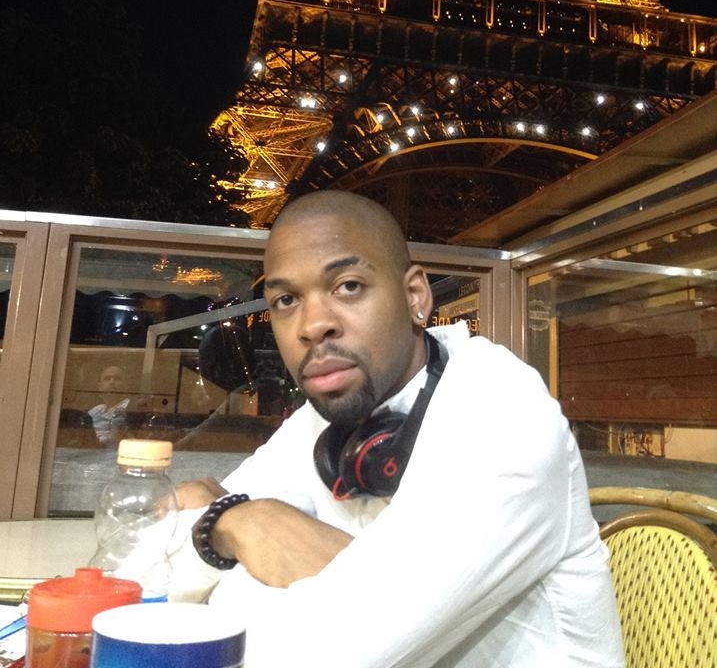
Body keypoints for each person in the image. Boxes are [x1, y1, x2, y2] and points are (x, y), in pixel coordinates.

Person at [169, 190, 625, 668]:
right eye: (286, 300)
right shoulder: (326, 418)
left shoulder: (501, 414)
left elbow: (319, 656)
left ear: (415, 297)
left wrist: (239, 523)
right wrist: (235, 526)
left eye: (348, 286)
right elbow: (153, 563)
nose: (313, 325)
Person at [87, 364, 131, 446]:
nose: (112, 382)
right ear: (99, 386)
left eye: (117, 378)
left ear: (126, 385)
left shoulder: (131, 409)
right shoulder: (97, 410)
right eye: (107, 379)